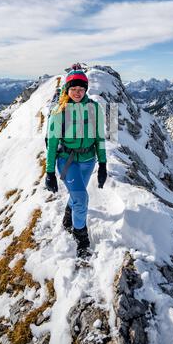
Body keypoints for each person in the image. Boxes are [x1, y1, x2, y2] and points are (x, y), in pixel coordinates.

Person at [45, 64, 107, 258]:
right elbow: (53, 144)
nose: (78, 92)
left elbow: (100, 137)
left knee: (77, 195)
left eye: (81, 89)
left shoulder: (95, 108)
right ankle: (80, 237)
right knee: (81, 198)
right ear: (67, 90)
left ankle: (68, 215)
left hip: (89, 160)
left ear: (86, 89)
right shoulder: (58, 112)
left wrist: (103, 164)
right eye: (73, 89)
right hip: (67, 161)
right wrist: (49, 172)